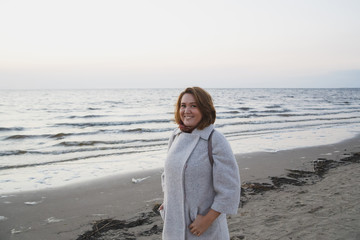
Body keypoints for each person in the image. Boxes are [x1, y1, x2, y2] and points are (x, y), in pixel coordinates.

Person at [160, 87, 241, 239]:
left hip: (203, 229)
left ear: (205, 109)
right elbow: (167, 175)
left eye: (193, 106)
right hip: (174, 226)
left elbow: (230, 189)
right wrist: (167, 202)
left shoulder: (215, 140)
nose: (186, 110)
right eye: (183, 106)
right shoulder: (176, 136)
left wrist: (206, 220)